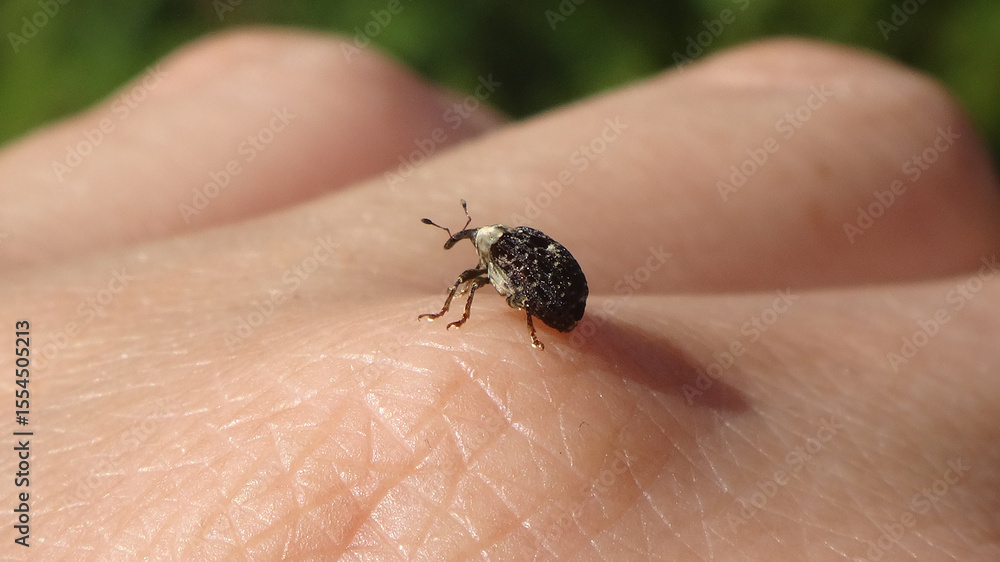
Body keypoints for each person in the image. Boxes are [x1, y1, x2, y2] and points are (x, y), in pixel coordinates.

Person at [2, 30, 998, 559]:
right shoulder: (500, 250)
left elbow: (532, 277)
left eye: (467, 244)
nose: (465, 251)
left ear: (485, 245)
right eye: (468, 246)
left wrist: (500, 313)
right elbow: (516, 271)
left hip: (561, 301)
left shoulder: (510, 256)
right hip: (561, 298)